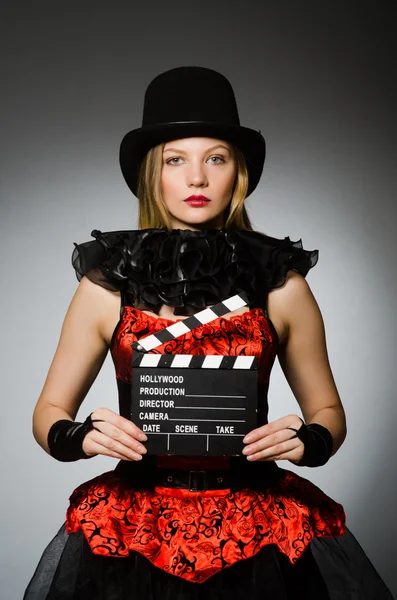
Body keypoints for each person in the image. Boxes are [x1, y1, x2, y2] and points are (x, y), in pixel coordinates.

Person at [23, 66, 394, 600]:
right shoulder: (107, 287)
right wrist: (77, 436)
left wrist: (307, 441)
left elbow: (330, 415)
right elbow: (47, 413)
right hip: (136, 526)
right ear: (155, 173)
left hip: (257, 525)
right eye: (176, 160)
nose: (196, 178)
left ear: (236, 172)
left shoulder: (281, 286)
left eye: (214, 159)